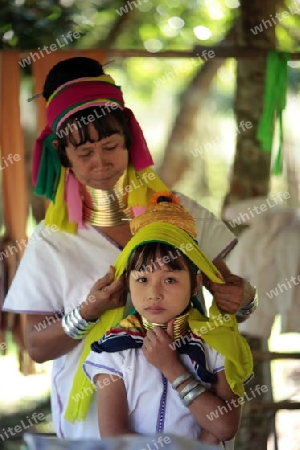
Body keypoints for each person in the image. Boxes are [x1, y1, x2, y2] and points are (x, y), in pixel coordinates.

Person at [2, 57, 257, 439]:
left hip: (191, 418)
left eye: (111, 146)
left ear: (130, 141)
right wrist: (90, 311)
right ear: (63, 156)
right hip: (94, 424)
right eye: (85, 153)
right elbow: (35, 345)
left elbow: (234, 297)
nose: (101, 163)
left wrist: (245, 299)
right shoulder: (52, 240)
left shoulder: (180, 214)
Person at [83, 193, 253, 448]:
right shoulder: (113, 349)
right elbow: (115, 437)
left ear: (195, 284)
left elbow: (225, 426)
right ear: (127, 282)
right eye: (142, 279)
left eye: (170, 279)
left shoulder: (216, 342)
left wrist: (172, 367)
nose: (154, 293)